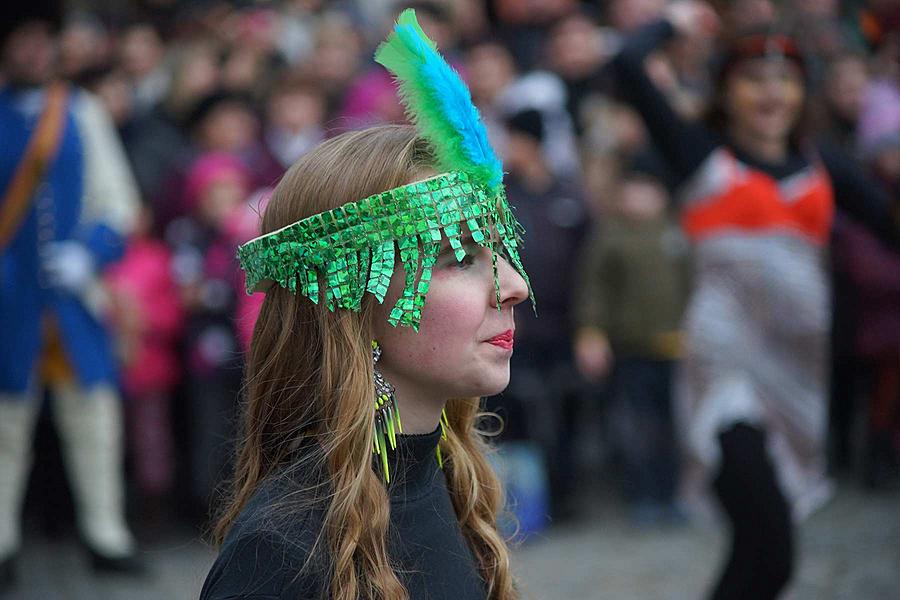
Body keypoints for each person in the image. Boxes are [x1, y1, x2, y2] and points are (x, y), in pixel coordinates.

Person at [201, 10, 531, 600]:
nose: (513, 285)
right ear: (352, 299)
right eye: (458, 259)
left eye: (500, 251)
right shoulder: (284, 550)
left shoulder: (459, 488)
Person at [611, 1, 897, 598]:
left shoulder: (824, 166)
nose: (772, 94)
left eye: (786, 81)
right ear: (727, 88)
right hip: (724, 369)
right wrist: (678, 20)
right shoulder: (700, 154)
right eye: (754, 80)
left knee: (760, 551)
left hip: (797, 374)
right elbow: (629, 65)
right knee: (771, 542)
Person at [0, 1, 141, 588]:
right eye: (23, 40)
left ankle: (107, 536)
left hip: (72, 295)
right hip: (8, 301)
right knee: (6, 422)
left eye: (43, 40)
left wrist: (90, 251)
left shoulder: (80, 111)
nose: (36, 51)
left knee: (96, 414)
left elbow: (119, 202)